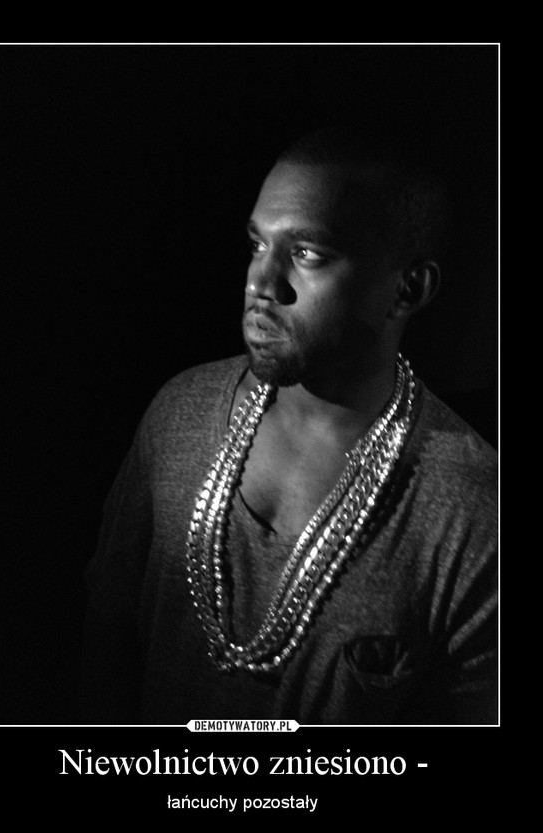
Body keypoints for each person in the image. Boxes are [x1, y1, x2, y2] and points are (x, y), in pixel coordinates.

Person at [81, 127, 498, 725]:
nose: (260, 282)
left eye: (307, 254)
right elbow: (108, 633)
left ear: (408, 288)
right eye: (258, 244)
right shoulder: (180, 414)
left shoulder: (473, 509)